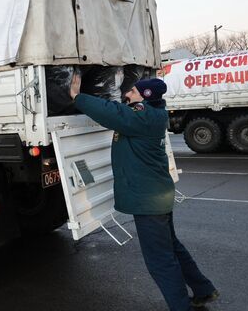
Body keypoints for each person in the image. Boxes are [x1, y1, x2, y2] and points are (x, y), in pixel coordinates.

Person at [69, 74, 219, 311]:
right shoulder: (152, 113)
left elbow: (114, 113)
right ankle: (203, 290)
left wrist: (78, 97)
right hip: (158, 197)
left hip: (149, 201)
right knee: (171, 247)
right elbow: (121, 111)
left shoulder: (143, 117)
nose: (127, 94)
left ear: (145, 97)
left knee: (159, 260)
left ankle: (182, 307)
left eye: (133, 92)